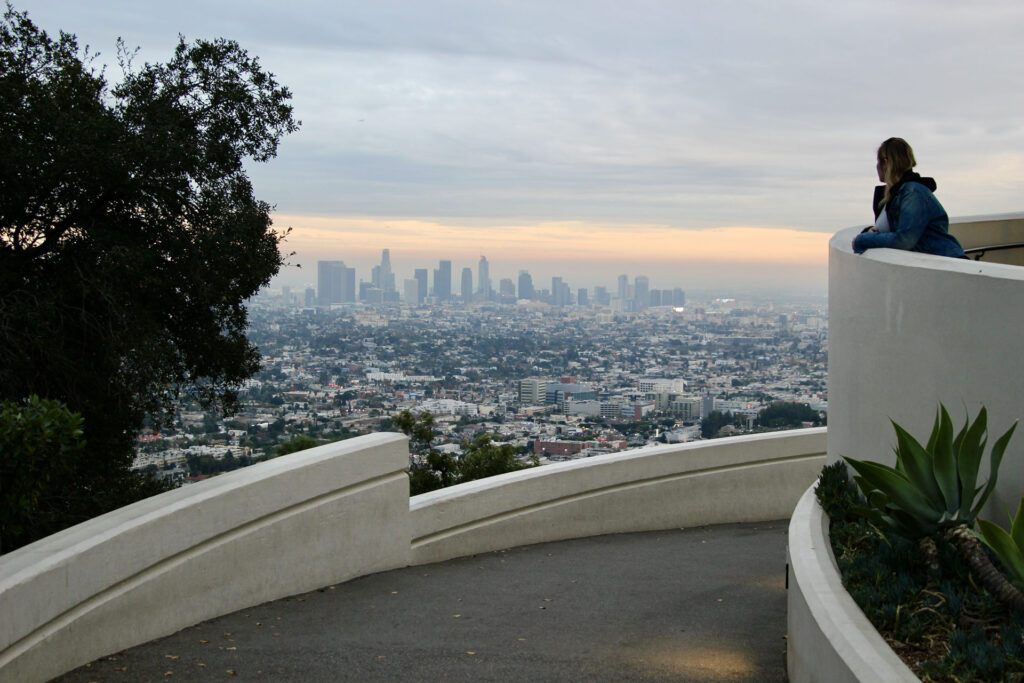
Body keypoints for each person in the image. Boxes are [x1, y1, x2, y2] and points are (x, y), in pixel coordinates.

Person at [853, 138, 964, 257]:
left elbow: (904, 240)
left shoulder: (913, 193)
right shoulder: (899, 193)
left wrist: (862, 240)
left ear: (885, 162)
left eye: (878, 161)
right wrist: (870, 232)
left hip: (945, 263)